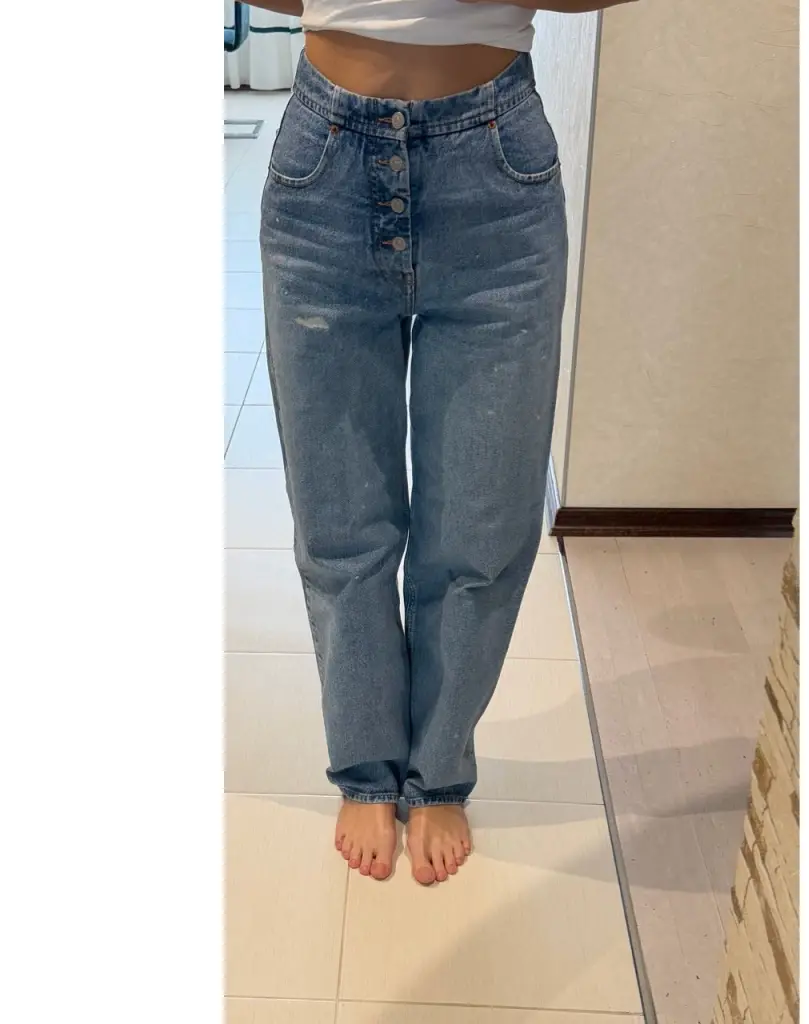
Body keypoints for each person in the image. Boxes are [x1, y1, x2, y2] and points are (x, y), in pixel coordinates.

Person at [245, 0, 634, 885]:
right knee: (341, 523)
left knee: (482, 528)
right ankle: (365, 767)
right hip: (324, 169)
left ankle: (439, 770)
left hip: (495, 172)